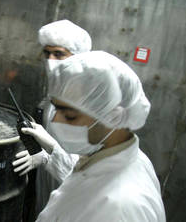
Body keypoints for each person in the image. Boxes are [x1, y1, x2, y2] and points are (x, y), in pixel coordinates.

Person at [24, 51, 166, 221]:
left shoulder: (120, 210)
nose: (55, 120)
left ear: (112, 117)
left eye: (69, 115)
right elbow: (88, 180)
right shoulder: (119, 157)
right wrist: (52, 153)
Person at [12, 19, 92, 219]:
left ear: (78, 56)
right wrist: (44, 158)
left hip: (74, 193)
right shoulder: (57, 89)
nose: (50, 60)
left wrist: (51, 153)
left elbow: (85, 174)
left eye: (59, 54)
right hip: (49, 180)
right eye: (47, 53)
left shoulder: (89, 100)